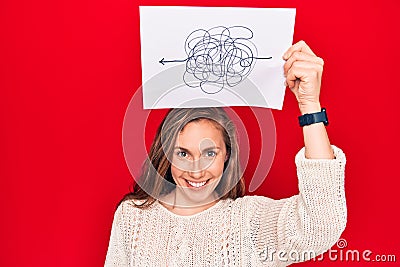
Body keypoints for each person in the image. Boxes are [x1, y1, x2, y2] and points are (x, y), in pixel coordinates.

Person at [104, 41, 347, 266]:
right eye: (183, 153)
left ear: (226, 156)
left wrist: (309, 105)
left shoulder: (250, 220)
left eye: (210, 153)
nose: (196, 170)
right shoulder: (132, 218)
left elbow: (321, 226)